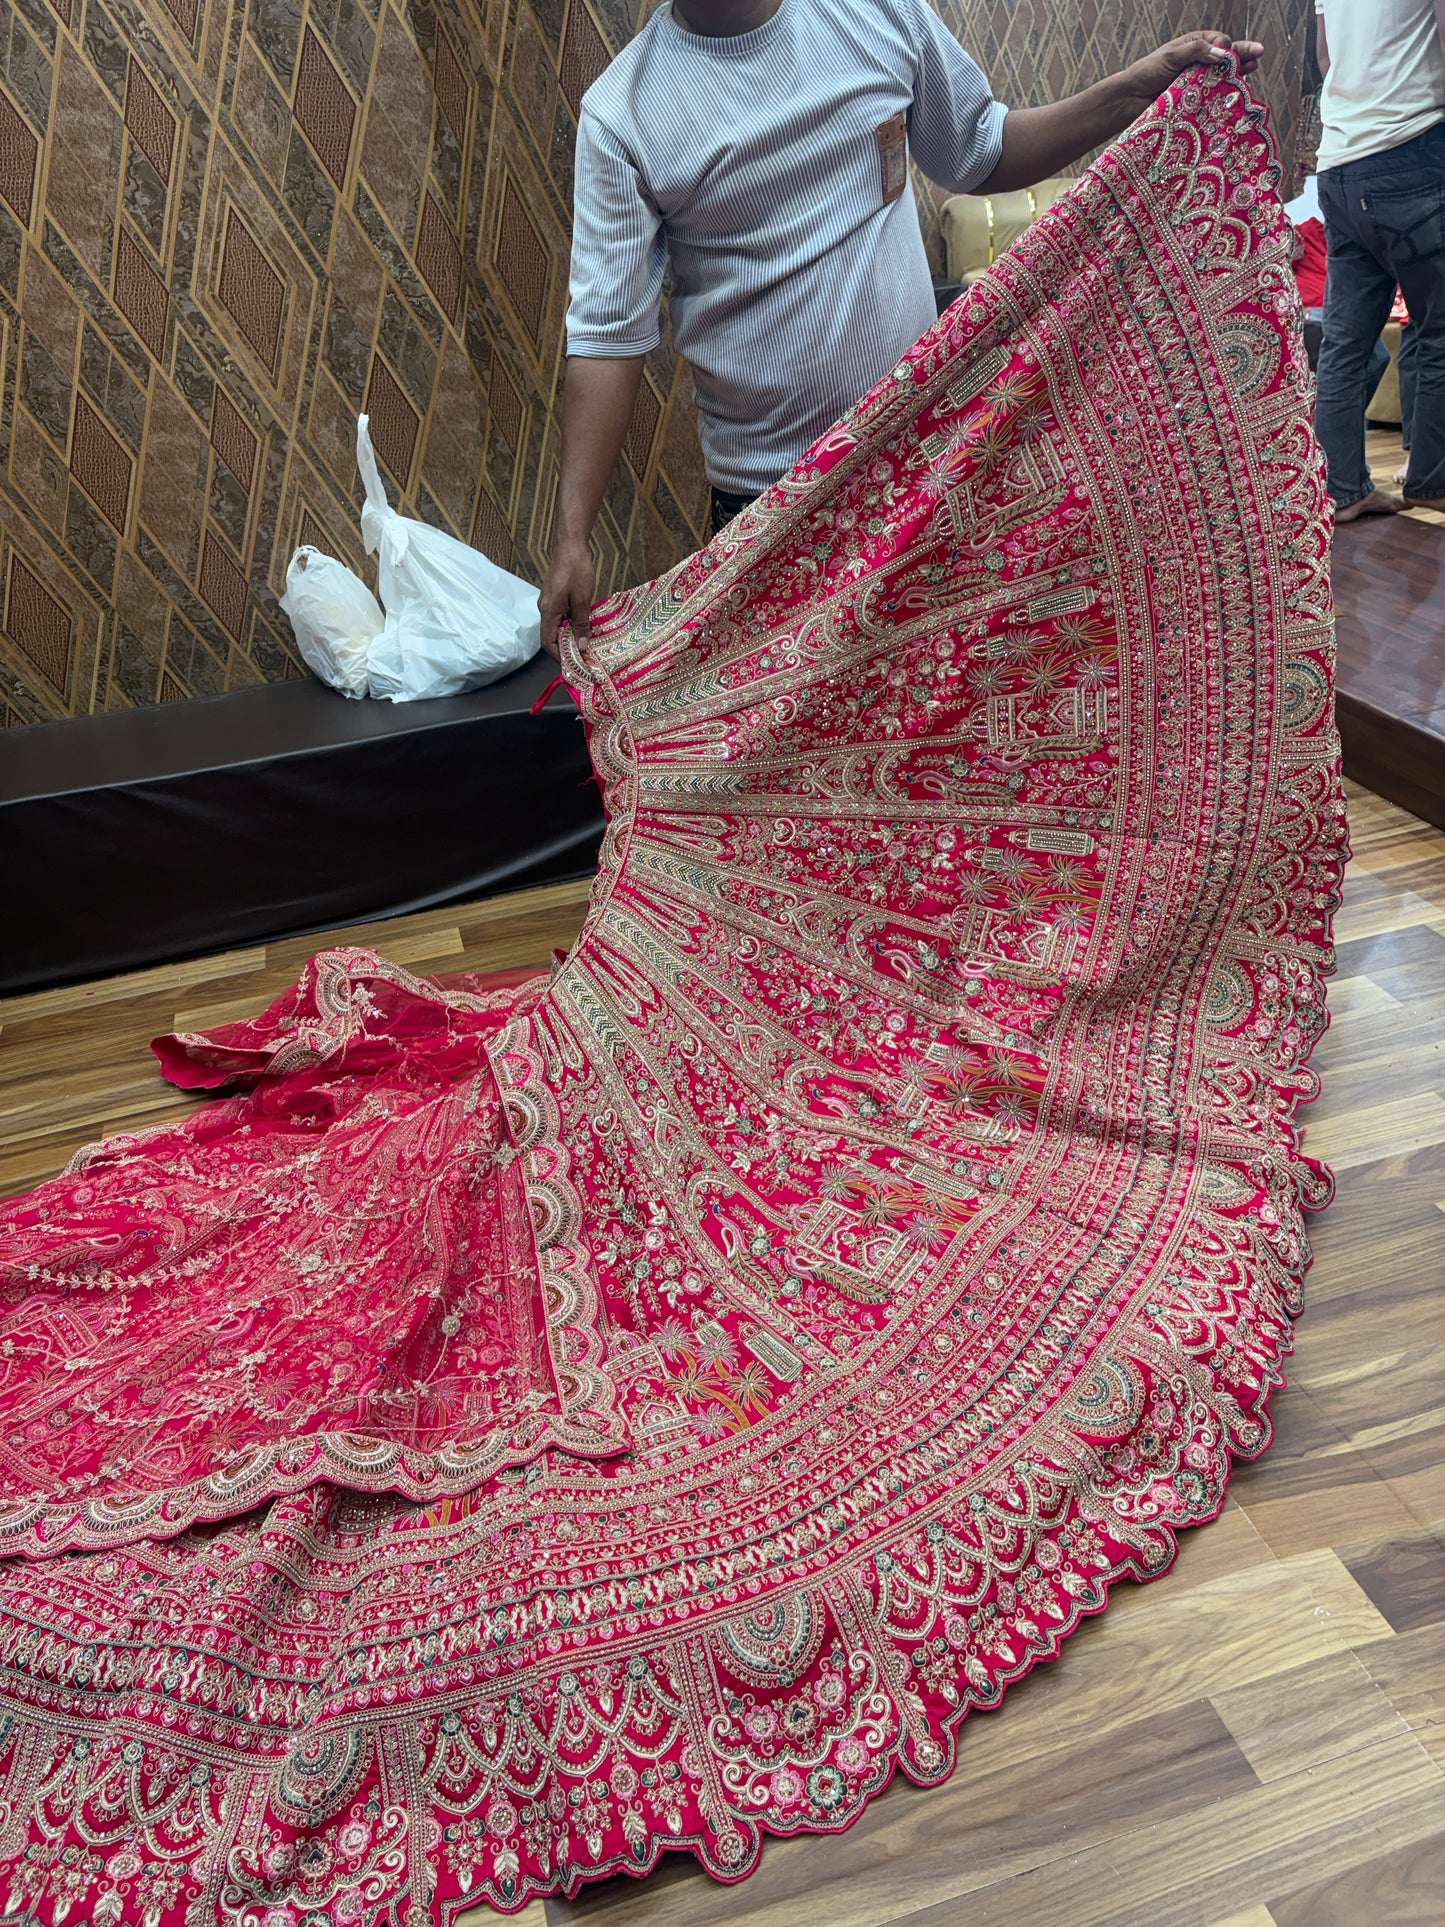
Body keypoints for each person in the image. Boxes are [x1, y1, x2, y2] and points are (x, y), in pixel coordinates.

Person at [539, 2, 1261, 652]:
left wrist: (1132, 91)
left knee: (944, 742)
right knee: (790, 768)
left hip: (925, 470)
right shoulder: (623, 113)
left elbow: (980, 148)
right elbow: (607, 336)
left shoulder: (873, 13)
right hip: (770, 504)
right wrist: (572, 534)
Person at [1313, 0, 1445, 521]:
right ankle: (1432, 480)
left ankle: (1342, 490)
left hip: (1340, 161)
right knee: (1439, 330)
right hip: (1411, 147)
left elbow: (1326, 58)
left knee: (1345, 342)